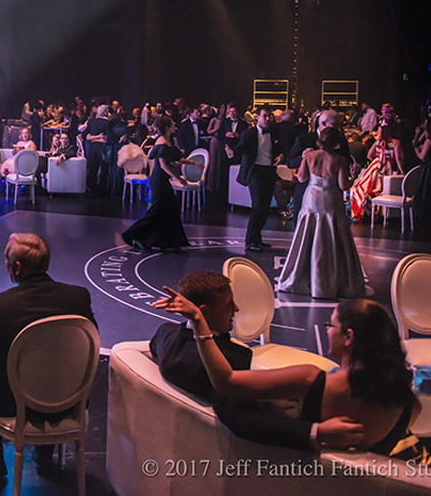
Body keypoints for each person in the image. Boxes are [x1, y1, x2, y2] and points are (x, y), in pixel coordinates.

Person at [155, 290, 431, 462]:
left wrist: (199, 324)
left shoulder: (312, 381)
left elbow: (225, 382)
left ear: (349, 337)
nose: (327, 330)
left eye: (331, 325)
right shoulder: (409, 405)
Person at [150, 271, 363, 451]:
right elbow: (241, 418)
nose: (236, 309)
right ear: (203, 312)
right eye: (228, 305)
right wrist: (317, 432)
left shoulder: (164, 335)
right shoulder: (226, 362)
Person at [0, 233, 96, 481]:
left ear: (17, 268)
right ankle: (44, 456)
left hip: (15, 404)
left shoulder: (1, 306)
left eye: (6, 260)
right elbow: (89, 349)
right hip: (68, 400)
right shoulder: (78, 297)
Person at [276, 128, 366, 299]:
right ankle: (331, 280)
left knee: (308, 235)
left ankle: (304, 276)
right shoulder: (340, 160)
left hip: (312, 197)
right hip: (331, 198)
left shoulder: (310, 156)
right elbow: (344, 186)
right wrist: (354, 176)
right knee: (332, 236)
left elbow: (301, 178)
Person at [121, 116, 190, 252]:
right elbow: (163, 165)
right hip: (159, 180)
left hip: (161, 180)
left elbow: (177, 157)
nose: (174, 125)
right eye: (172, 124)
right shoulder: (162, 142)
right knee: (157, 211)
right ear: (167, 128)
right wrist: (178, 178)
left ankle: (169, 243)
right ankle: (134, 235)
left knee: (170, 209)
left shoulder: (167, 141)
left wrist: (194, 163)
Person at [235, 106, 281, 252]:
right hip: (255, 170)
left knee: (265, 206)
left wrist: (281, 156)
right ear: (257, 117)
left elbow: (280, 149)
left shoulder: (273, 132)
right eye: (265, 116)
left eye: (269, 116)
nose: (268, 119)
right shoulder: (248, 133)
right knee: (258, 205)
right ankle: (250, 240)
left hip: (269, 170)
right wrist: (231, 152)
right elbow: (240, 149)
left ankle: (257, 239)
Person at [350, 122, 404, 221]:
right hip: (387, 166)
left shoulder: (378, 142)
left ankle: (368, 212)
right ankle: (380, 213)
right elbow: (398, 159)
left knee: (368, 186)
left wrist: (378, 159)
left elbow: (369, 156)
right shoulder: (396, 142)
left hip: (376, 166)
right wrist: (402, 171)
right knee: (381, 188)